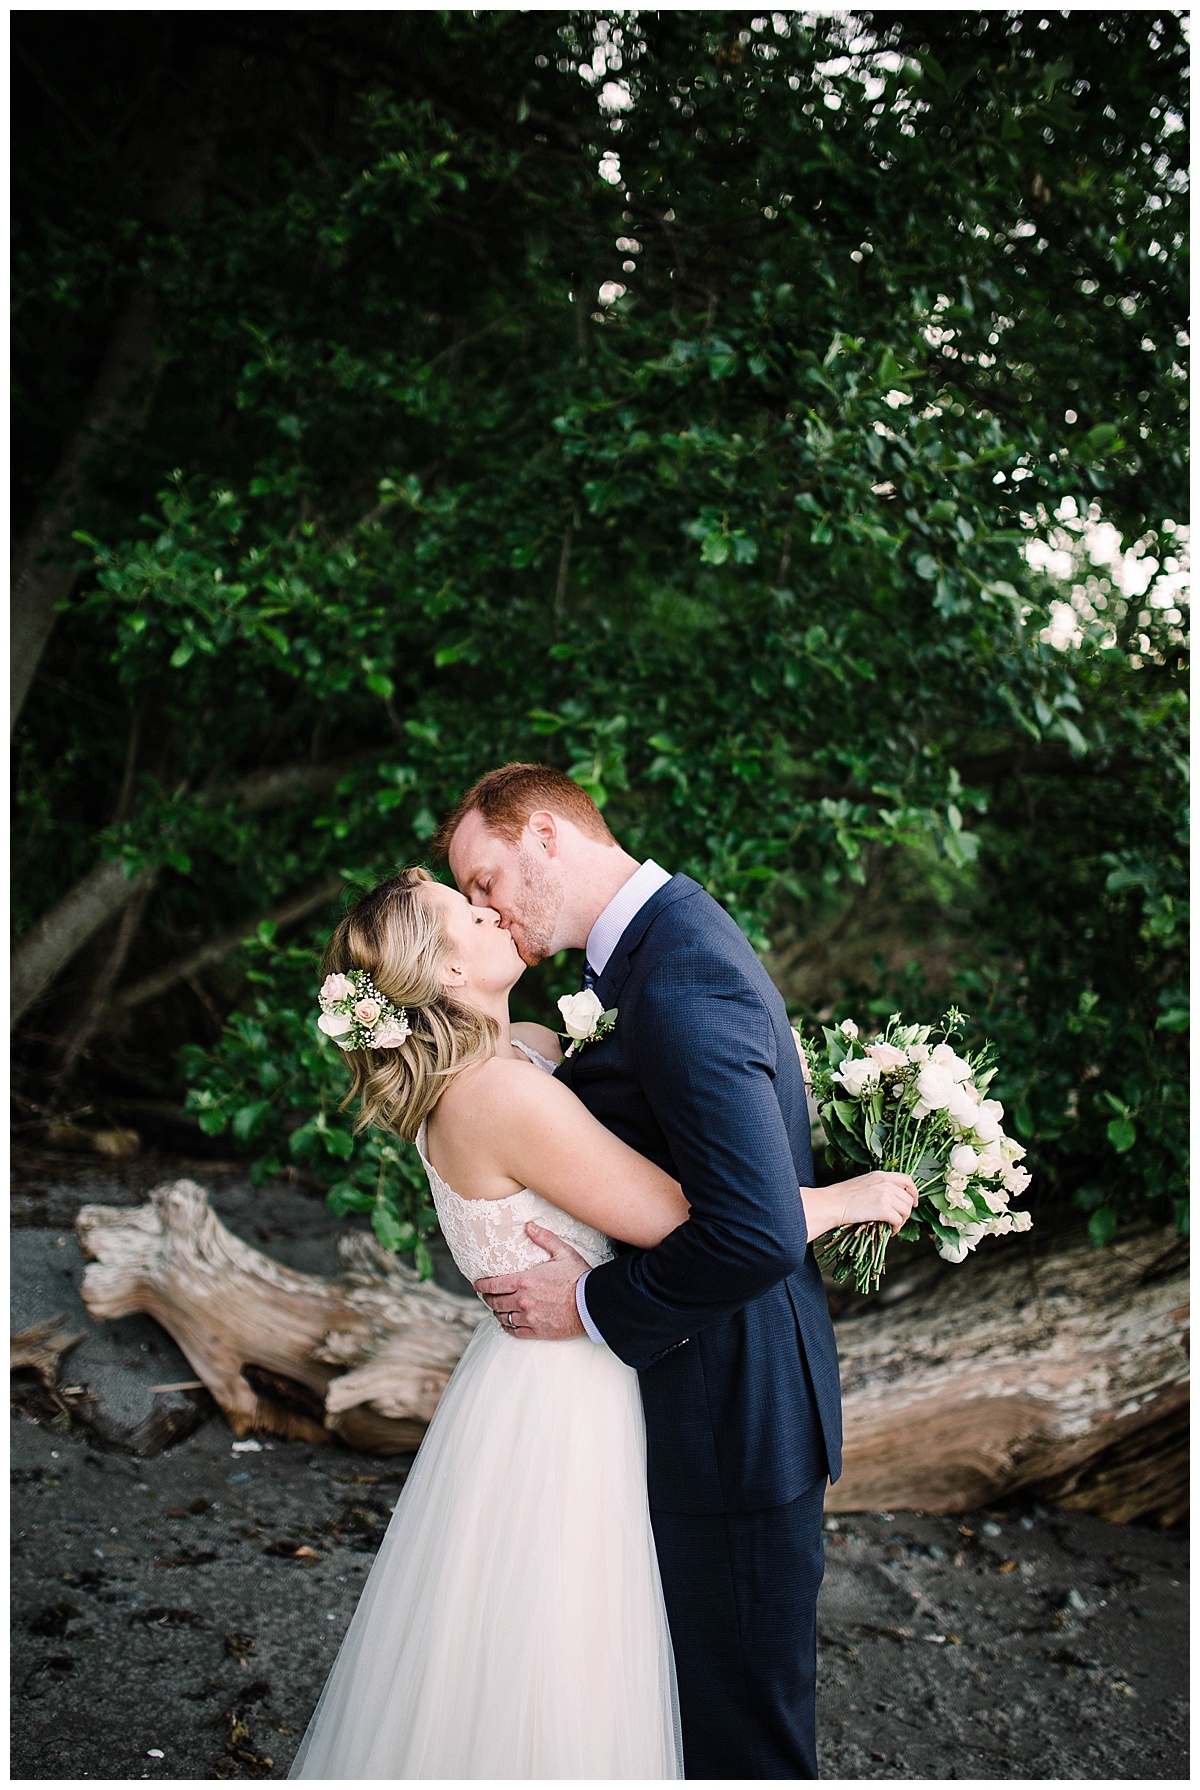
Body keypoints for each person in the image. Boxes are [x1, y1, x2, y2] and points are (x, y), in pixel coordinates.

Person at [289, 832, 915, 1779]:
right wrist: (850, 1197)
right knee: (572, 1658)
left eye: (481, 889)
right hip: (568, 1391)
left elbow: (632, 1090)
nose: (492, 910)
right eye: (470, 908)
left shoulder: (517, 1054)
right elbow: (688, 1217)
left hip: (528, 1378)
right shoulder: (499, 1092)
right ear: (449, 966)